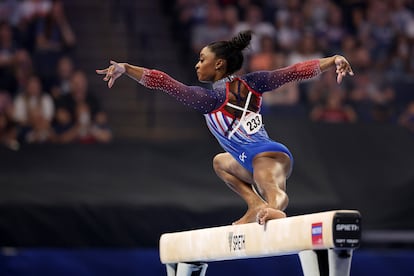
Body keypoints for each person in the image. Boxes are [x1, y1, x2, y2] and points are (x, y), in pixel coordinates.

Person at [96, 30, 353, 225]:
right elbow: (293, 72)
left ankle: (271, 208)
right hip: (247, 160)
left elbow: (165, 83)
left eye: (202, 59)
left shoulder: (209, 99)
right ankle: (254, 205)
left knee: (274, 192)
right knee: (220, 162)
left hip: (268, 155)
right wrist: (332, 61)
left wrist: (127, 69)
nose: (197, 64)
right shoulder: (253, 83)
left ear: (219, 64)